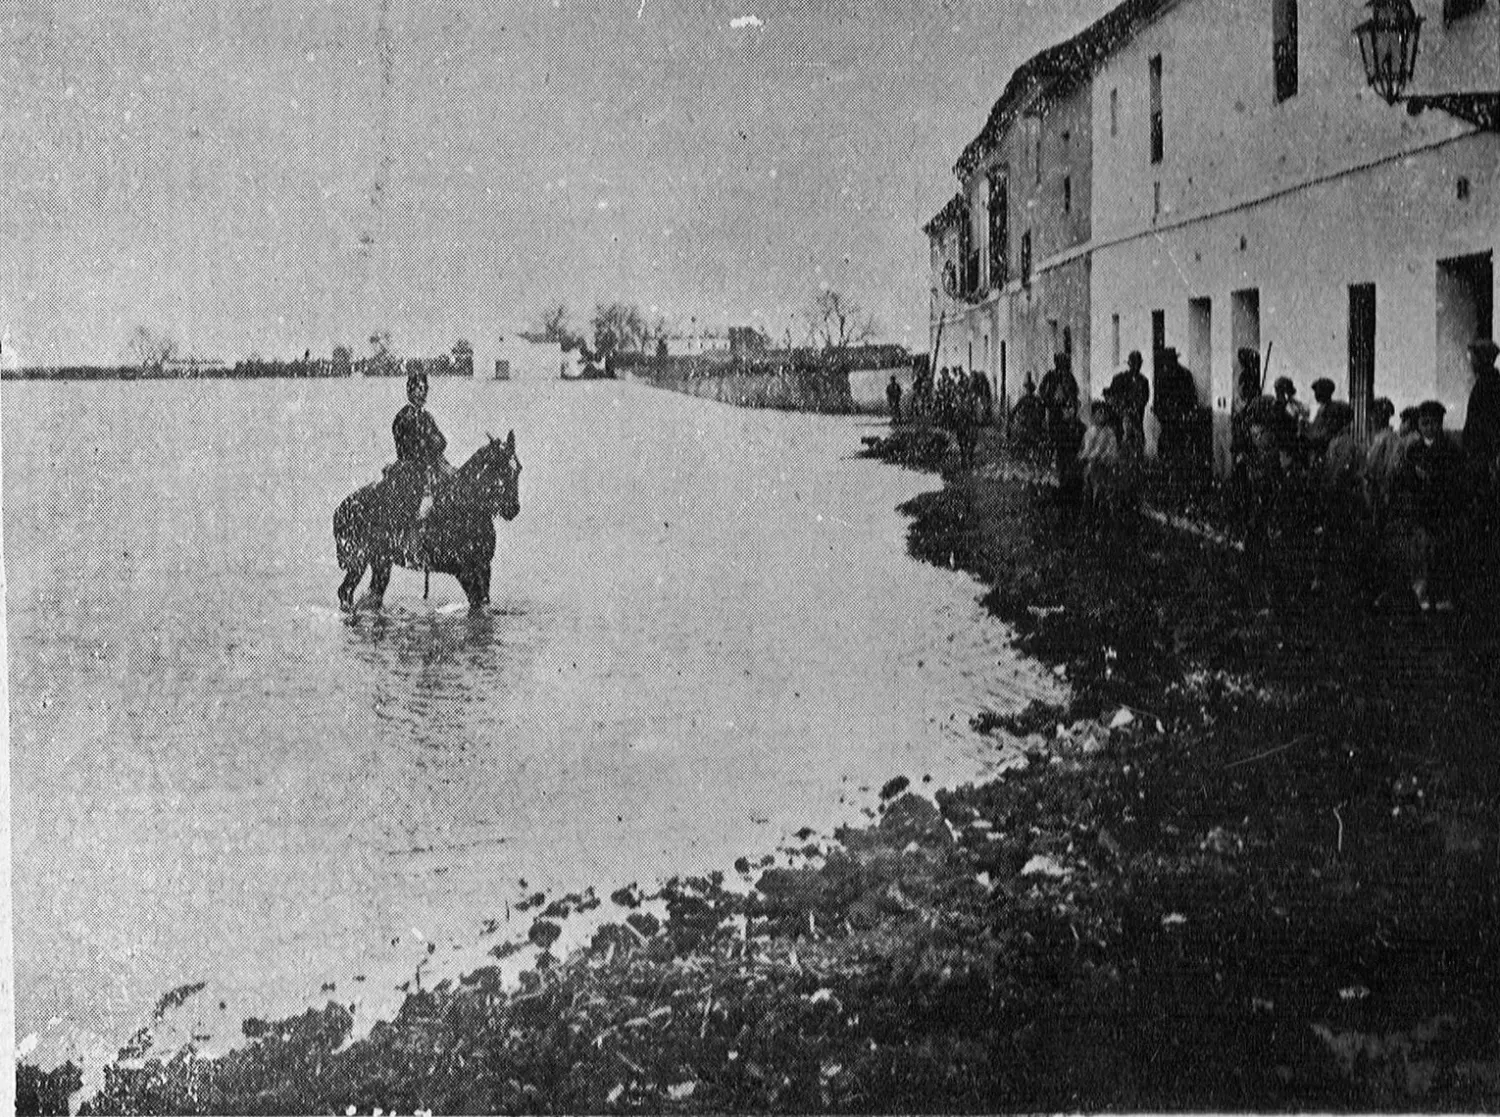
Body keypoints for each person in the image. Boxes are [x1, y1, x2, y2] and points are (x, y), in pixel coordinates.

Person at [1394, 400, 1465, 611]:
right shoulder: (1413, 449)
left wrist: (1432, 479)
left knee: (1442, 553)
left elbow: (1456, 481)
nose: (1429, 428)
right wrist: (1414, 478)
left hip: (1442, 510)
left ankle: (1443, 595)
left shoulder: (1450, 449)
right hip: (1420, 509)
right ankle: (1422, 593)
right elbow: (1403, 479)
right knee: (1421, 554)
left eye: (1433, 423)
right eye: (1424, 423)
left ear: (1440, 424)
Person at [391, 370, 454, 546]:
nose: (421, 392)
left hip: (432, 464)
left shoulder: (427, 417)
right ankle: (411, 541)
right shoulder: (403, 417)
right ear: (409, 391)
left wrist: (430, 444)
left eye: (424, 388)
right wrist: (427, 445)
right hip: (411, 468)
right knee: (416, 501)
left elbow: (442, 441)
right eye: (417, 388)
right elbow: (406, 447)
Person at [1153, 347, 1198, 476]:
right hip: (1169, 419)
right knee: (1169, 447)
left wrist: (1186, 413)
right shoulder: (1163, 376)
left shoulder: (1183, 375)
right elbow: (1158, 399)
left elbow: (1191, 397)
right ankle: (1171, 472)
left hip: (1178, 418)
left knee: (1177, 447)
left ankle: (1176, 473)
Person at [1038, 352, 1080, 481]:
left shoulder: (1069, 377)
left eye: (1064, 363)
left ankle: (1063, 464)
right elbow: (1042, 390)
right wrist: (1048, 402)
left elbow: (1075, 391)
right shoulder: (1050, 376)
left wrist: (1070, 402)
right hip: (1054, 410)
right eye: (1060, 363)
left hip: (1065, 411)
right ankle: (1054, 462)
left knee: (1066, 437)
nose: (1062, 365)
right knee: (1054, 435)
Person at [1079, 401, 1122, 526]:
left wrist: (1104, 457)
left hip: (1106, 466)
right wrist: (1091, 456)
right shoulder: (1090, 432)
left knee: (1105, 486)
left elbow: (1113, 451)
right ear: (1094, 415)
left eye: (1104, 413)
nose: (1102, 415)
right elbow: (1086, 450)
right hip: (1093, 465)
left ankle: (1104, 513)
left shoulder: (1110, 433)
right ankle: (1088, 511)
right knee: (1089, 476)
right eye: (1099, 412)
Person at [1107, 351, 1150, 445]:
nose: (1136, 366)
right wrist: (1121, 407)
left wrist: (1134, 408)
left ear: (1141, 364)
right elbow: (1111, 396)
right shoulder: (1119, 378)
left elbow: (1145, 398)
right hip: (1121, 419)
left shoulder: (1143, 381)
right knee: (1123, 443)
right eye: (1133, 363)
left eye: (1138, 363)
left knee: (1137, 443)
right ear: (1129, 363)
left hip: (1137, 419)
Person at [1010, 374, 1046, 462]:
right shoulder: (1026, 399)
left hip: (1032, 423)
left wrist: (1040, 418)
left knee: (1032, 439)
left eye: (1029, 389)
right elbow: (1014, 410)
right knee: (1025, 439)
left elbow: (1042, 411)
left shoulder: (1034, 400)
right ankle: (1026, 453)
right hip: (1027, 423)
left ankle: (1030, 454)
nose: (1028, 391)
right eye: (1027, 389)